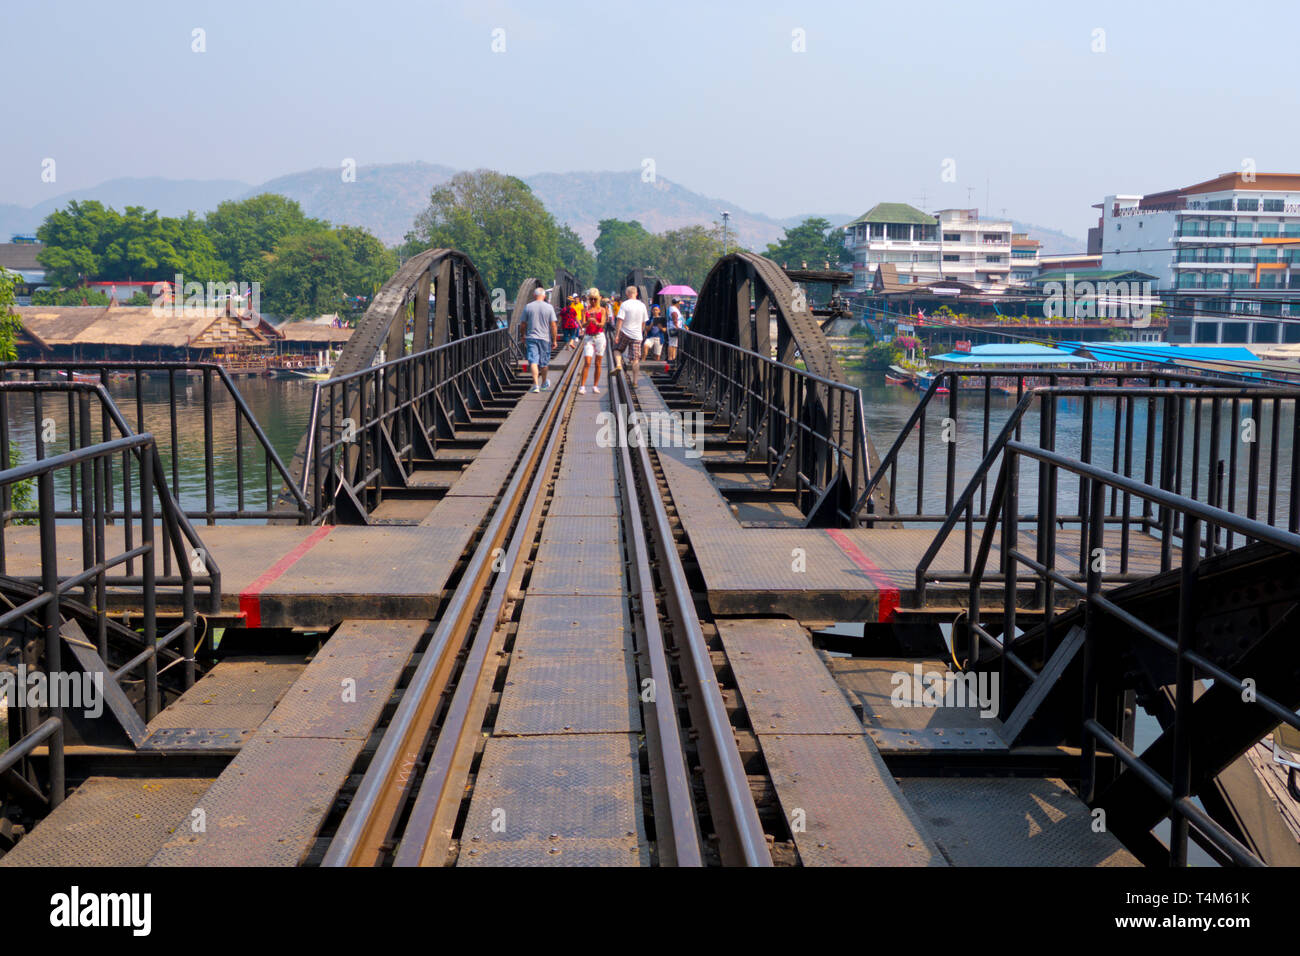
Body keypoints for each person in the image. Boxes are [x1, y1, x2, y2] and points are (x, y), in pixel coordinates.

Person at [521, 286, 558, 392]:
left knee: (533, 361)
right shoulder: (549, 307)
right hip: (545, 338)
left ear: (534, 295)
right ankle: (544, 382)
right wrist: (554, 340)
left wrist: (523, 335)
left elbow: (523, 324)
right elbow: (553, 325)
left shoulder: (528, 307)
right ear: (544, 296)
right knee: (544, 362)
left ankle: (536, 385)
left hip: (531, 337)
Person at [614, 285, 647, 386]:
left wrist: (617, 334)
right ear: (636, 293)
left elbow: (620, 320)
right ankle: (635, 382)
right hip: (637, 335)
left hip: (625, 332)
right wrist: (641, 332)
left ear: (627, 294)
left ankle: (619, 365)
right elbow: (644, 322)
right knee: (635, 359)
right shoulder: (642, 305)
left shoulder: (624, 304)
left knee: (617, 349)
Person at [577, 288, 606, 394]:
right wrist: (588, 322)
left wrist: (596, 323)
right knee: (587, 362)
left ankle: (595, 385)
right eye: (591, 299)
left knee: (598, 363)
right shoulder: (586, 310)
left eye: (595, 299)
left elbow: (603, 324)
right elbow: (583, 325)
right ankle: (582, 386)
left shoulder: (602, 310)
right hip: (589, 336)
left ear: (598, 299)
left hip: (599, 337)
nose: (593, 301)